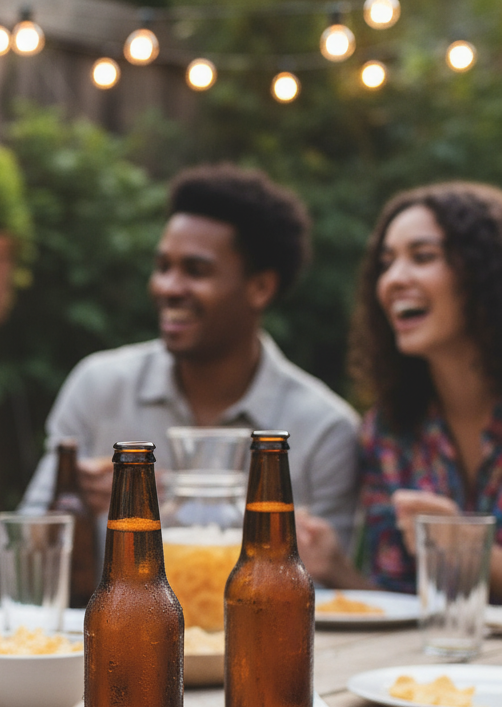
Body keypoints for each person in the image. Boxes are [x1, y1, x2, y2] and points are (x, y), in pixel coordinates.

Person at [298, 182, 502, 707]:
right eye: (387, 261)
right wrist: (333, 563)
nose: (393, 279)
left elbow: (463, 574)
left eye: (423, 256)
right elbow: (392, 597)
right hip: (438, 704)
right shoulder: (391, 426)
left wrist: (476, 551)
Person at [20, 163, 360, 563]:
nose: (168, 287)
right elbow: (26, 555)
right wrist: (70, 504)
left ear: (261, 288)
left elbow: (325, 597)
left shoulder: (323, 430)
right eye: (163, 267)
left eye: (195, 271)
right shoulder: (98, 387)